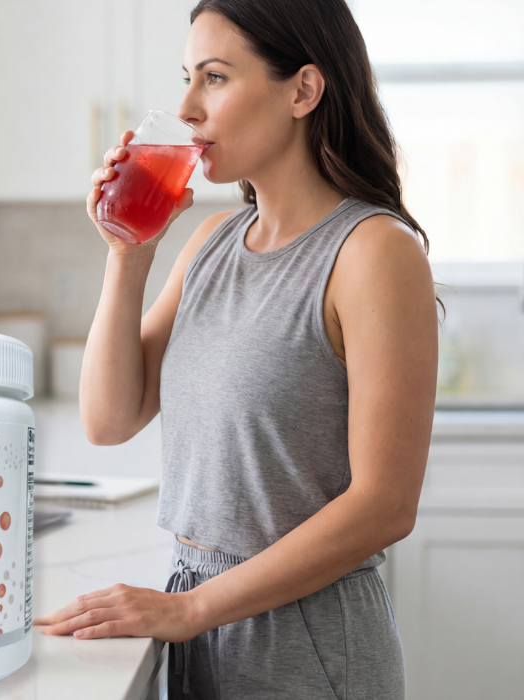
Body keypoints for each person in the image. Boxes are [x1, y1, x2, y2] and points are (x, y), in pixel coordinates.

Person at [32, 1, 437, 698]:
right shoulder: (211, 243)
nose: (187, 107)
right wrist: (128, 255)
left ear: (303, 91)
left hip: (307, 644)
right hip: (200, 625)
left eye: (214, 78)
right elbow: (109, 418)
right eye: (188, 78)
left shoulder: (373, 252)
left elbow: (385, 506)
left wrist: (190, 610)